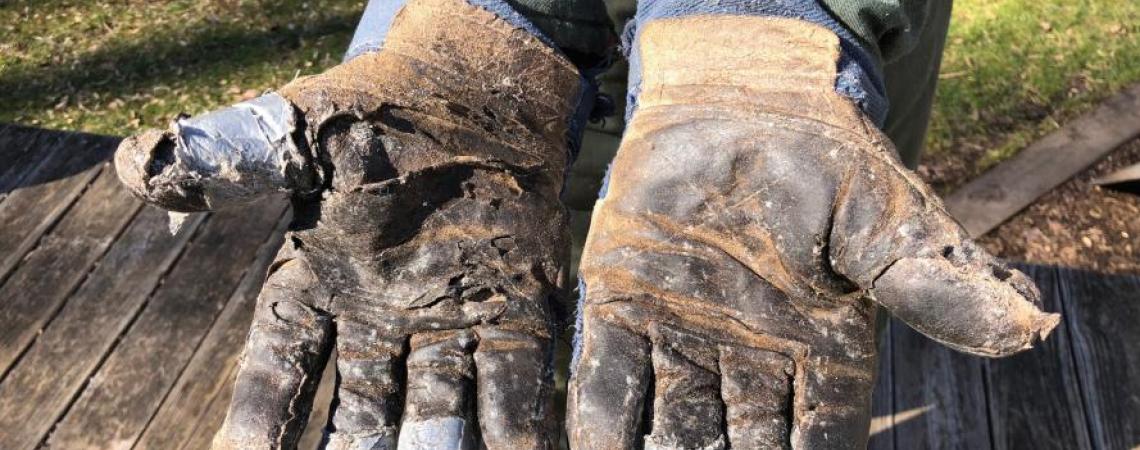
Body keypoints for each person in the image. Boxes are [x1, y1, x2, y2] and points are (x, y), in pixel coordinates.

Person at [112, 0, 1059, 448]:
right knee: (508, 348)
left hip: (801, 75)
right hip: (513, 86)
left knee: (765, 310)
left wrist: (751, 39)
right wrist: (466, 48)